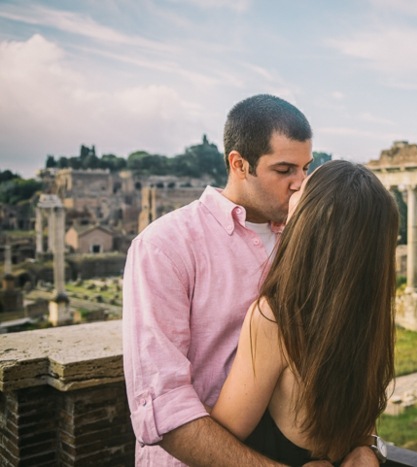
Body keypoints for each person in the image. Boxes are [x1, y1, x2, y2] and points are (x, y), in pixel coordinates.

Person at [122, 94, 379, 466]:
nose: (299, 183)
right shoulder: (165, 247)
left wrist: (363, 443)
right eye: (284, 170)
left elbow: (345, 348)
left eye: (305, 168)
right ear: (239, 164)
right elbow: (164, 408)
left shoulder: (310, 239)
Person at [211, 160, 399, 465]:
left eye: (306, 185)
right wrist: (368, 447)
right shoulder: (369, 320)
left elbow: (223, 437)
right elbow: (360, 426)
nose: (297, 185)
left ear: (312, 223)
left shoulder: (275, 319)